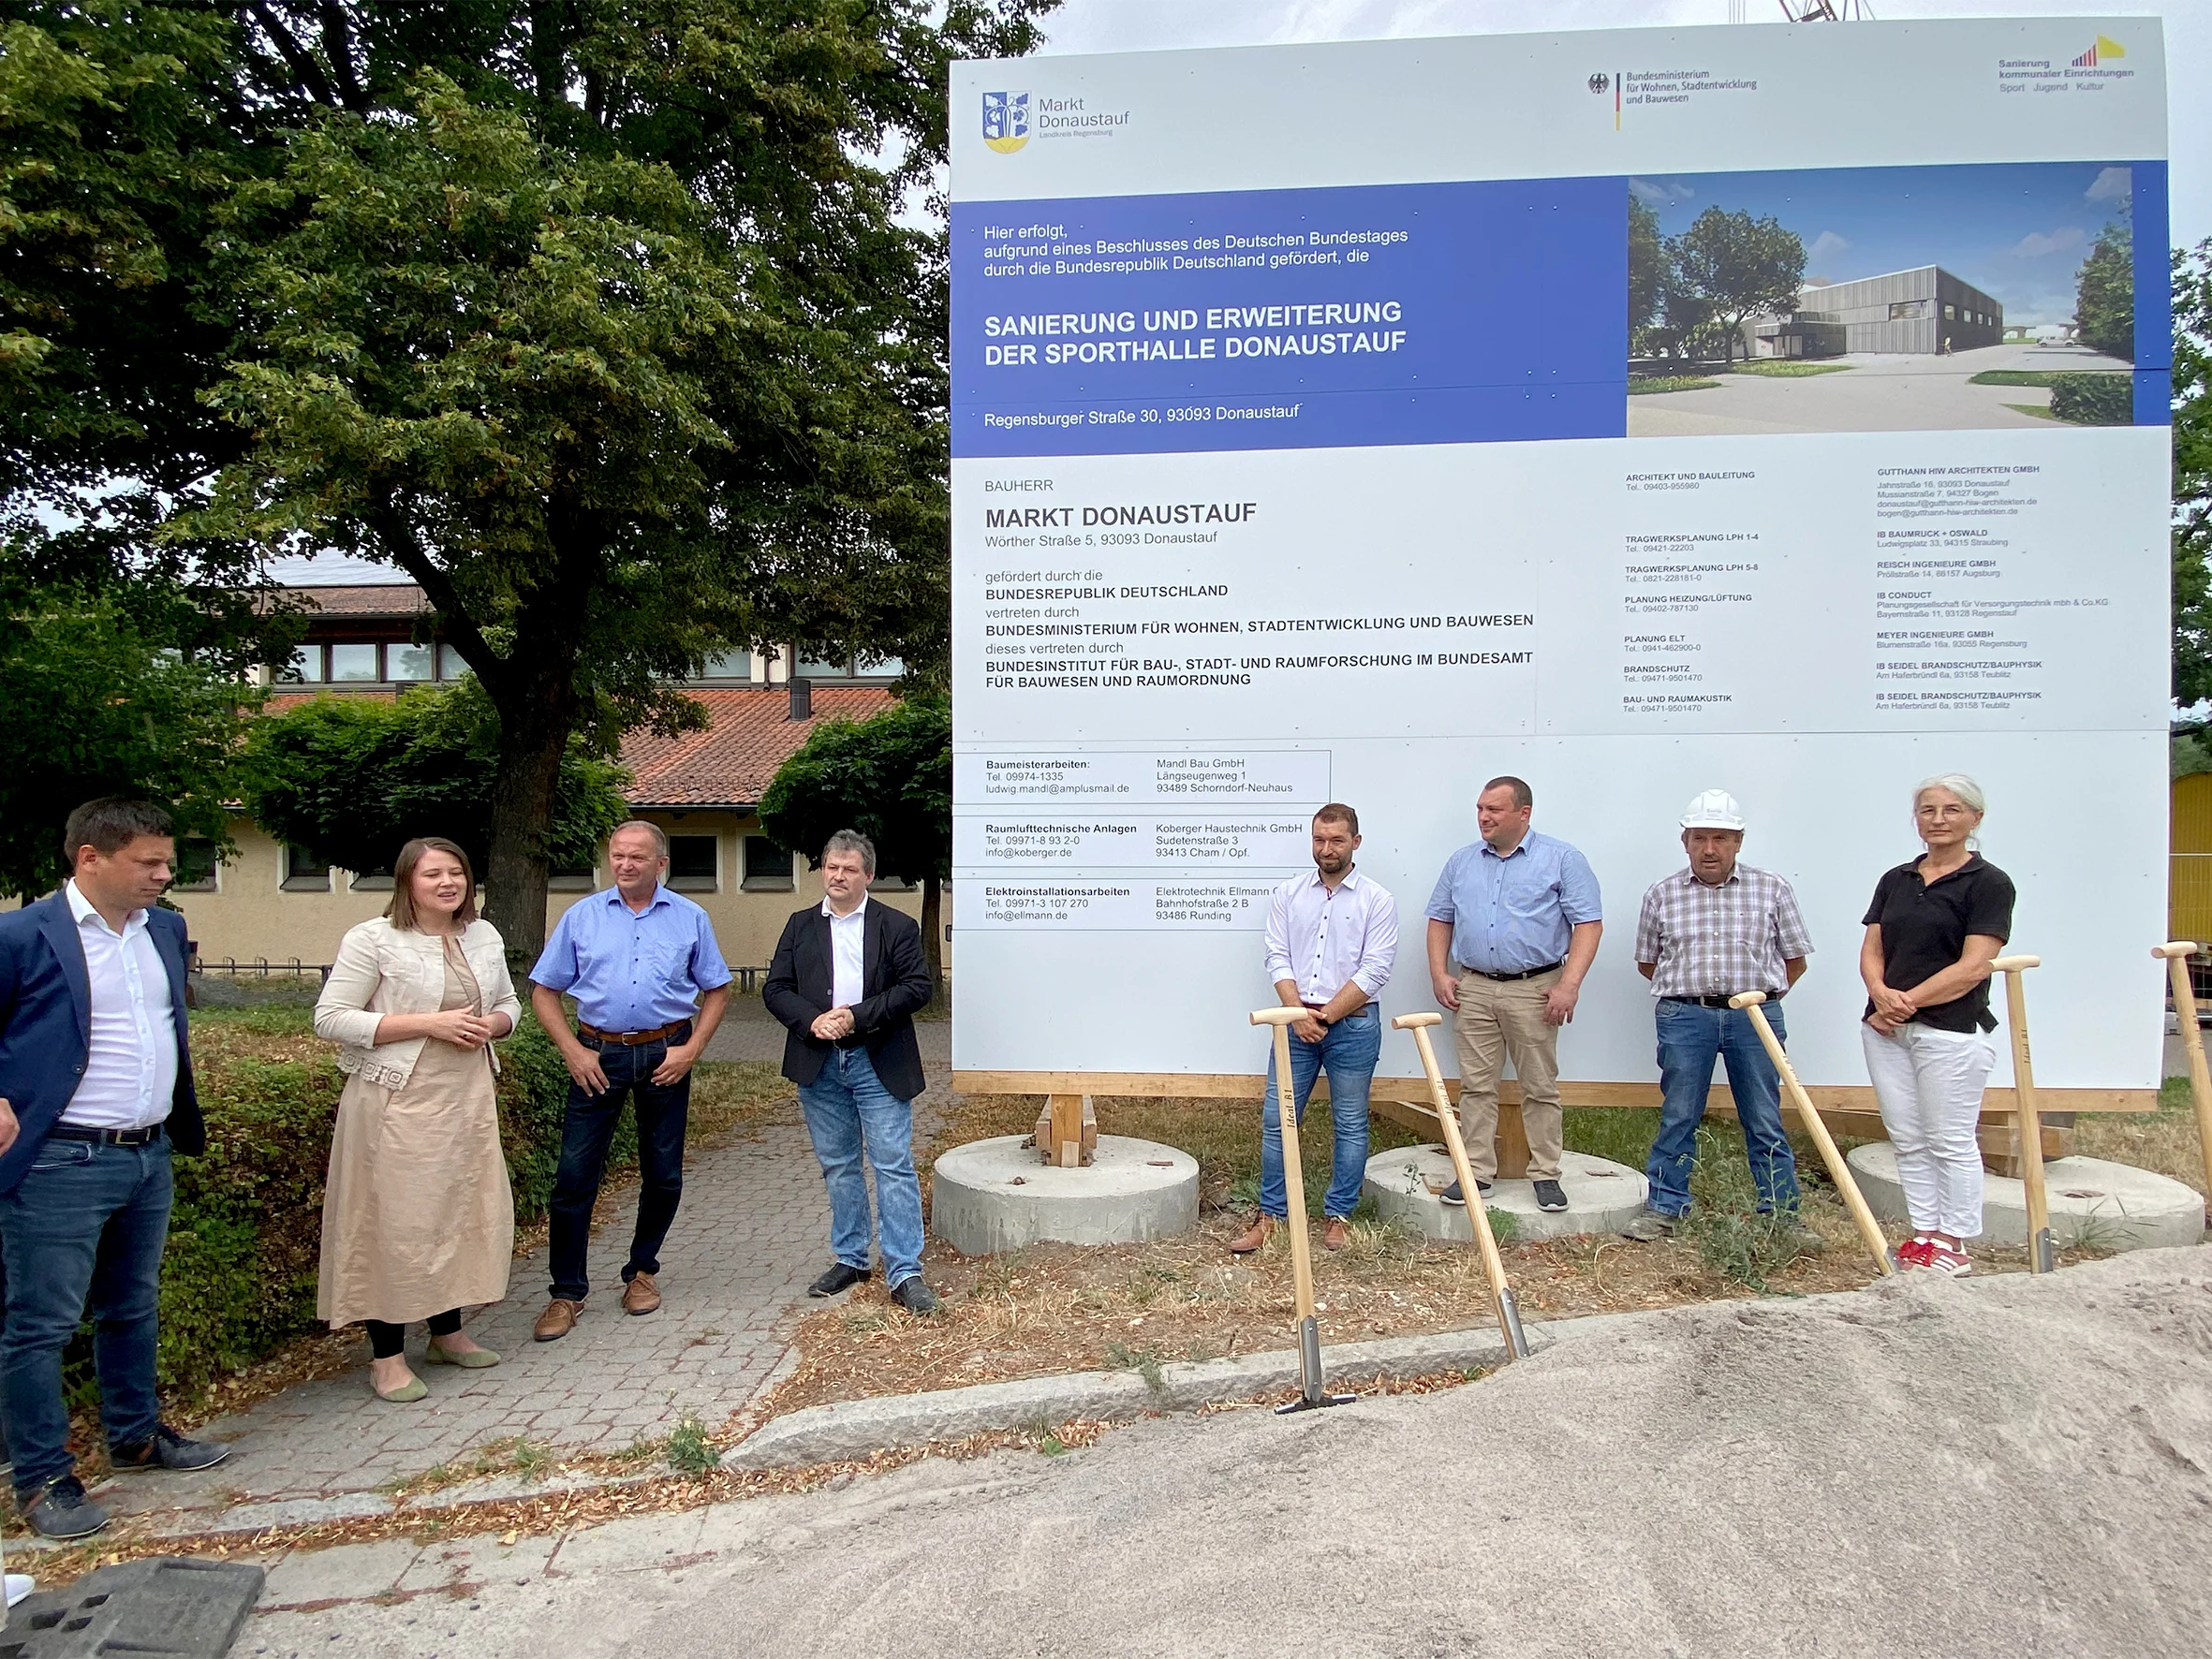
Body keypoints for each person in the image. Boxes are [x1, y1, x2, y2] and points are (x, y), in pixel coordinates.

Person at [0, 800, 229, 1541]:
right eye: (151, 863)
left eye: (168, 862)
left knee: (132, 1304)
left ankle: (135, 1437)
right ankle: (42, 1481)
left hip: (148, 1151)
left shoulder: (163, 929)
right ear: (90, 858)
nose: (167, 875)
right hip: (58, 1158)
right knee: (40, 1325)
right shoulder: (21, 935)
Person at [314, 838, 522, 1401]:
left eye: (457, 872)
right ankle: (386, 1357)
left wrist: (495, 1025)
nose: (449, 883)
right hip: (396, 1104)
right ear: (408, 882)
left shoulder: (484, 935)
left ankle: (448, 1334)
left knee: (454, 1214)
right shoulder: (373, 939)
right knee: (397, 1225)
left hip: (465, 1099)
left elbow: (509, 1002)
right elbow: (331, 1018)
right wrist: (427, 1024)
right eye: (434, 875)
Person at [528, 821, 732, 1339]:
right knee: (574, 1177)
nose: (624, 865)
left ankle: (642, 1270)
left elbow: (717, 990)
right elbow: (543, 992)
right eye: (617, 855)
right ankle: (566, 1292)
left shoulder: (690, 918)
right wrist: (574, 1051)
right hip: (597, 1057)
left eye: (637, 857)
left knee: (663, 1173)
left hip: (665, 1055)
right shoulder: (582, 917)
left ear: (660, 864)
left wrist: (691, 1050)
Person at [1622, 791, 1821, 1248]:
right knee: (1678, 1114)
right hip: (1685, 1015)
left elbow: (1795, 960)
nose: (1710, 848)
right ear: (1685, 841)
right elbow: (1649, 963)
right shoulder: (1662, 894)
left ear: (1739, 841)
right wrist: (1695, 993)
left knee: (1764, 1115)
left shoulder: (1772, 889)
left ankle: (1782, 1214)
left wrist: (1759, 997)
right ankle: (1666, 1208)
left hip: (1755, 1015)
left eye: (1721, 838)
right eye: (1700, 838)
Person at [764, 830, 940, 1314]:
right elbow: (776, 989)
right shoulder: (799, 925)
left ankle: (905, 1270)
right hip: (819, 1061)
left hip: (876, 1058)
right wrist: (812, 1019)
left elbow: (917, 988)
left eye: (848, 869)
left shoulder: (896, 926)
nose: (837, 876)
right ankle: (851, 1258)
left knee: (892, 1164)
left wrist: (857, 1016)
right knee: (839, 1165)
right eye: (830, 867)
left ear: (869, 875)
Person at [1860, 774, 2014, 1277]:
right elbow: (1873, 948)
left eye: (1951, 810)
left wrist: (1906, 1002)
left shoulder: (1988, 883)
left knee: (1950, 1138)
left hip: (1949, 1028)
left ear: (1975, 818)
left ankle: (1955, 1240)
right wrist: (1881, 996)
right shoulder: (1897, 879)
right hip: (1885, 1028)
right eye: (1928, 810)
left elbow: (1975, 965)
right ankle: (1924, 1232)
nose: (1939, 820)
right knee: (1907, 1136)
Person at [1424, 776, 1601, 1213]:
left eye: (1494, 810)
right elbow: (1439, 919)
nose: (1484, 817)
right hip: (1476, 987)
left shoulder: (1562, 859)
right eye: (1481, 809)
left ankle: (1545, 1175)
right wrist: (1439, 974)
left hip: (1535, 990)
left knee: (1539, 1087)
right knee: (1476, 1087)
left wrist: (1569, 985)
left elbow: (1589, 924)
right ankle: (1476, 1173)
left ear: (1524, 813)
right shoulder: (1462, 862)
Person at [1231, 804, 1396, 1256]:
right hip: (1294, 1022)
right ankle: (1271, 1214)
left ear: (1356, 842)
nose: (1326, 849)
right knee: (1277, 1120)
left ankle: (1338, 1216)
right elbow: (1276, 956)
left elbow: (1376, 969)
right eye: (1319, 840)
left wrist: (1324, 1016)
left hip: (1354, 1025)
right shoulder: (1288, 894)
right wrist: (1297, 1012)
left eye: (1337, 840)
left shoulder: (1376, 900)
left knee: (1350, 1122)